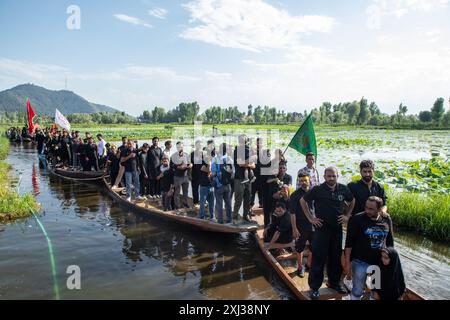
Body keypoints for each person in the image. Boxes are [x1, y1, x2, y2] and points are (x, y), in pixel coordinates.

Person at [300, 166, 355, 300]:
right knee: (319, 258)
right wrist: (310, 218)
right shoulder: (318, 189)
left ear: (337, 176)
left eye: (333, 176)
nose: (331, 178)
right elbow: (303, 201)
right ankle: (314, 288)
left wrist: (347, 215)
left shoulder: (343, 189)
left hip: (337, 230)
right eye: (329, 176)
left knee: (336, 258)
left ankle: (334, 283)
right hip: (321, 230)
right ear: (324, 177)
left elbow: (352, 200)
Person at [344, 196, 394, 300]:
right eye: (366, 207)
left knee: (376, 292)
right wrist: (347, 263)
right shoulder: (357, 219)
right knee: (357, 291)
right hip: (360, 262)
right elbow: (348, 244)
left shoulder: (386, 219)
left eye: (371, 209)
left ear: (380, 210)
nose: (367, 210)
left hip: (378, 263)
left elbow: (390, 242)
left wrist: (391, 262)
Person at [290, 172, 314, 278]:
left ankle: (308, 265)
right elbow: (292, 213)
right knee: (300, 247)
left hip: (313, 225)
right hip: (301, 226)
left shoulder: (314, 193)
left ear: (310, 180)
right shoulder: (295, 195)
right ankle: (300, 267)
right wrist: (294, 228)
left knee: (314, 247)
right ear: (299, 182)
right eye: (301, 181)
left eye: (305, 180)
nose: (304, 183)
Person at [233, 134, 255, 222]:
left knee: (247, 198)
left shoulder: (249, 150)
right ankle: (234, 216)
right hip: (239, 178)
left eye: (244, 139)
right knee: (238, 198)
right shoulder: (237, 150)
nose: (243, 140)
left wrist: (248, 163)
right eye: (241, 139)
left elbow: (253, 165)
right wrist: (250, 160)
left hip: (248, 178)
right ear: (239, 140)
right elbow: (240, 163)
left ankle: (246, 215)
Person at [212, 143, 233, 224]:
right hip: (228, 185)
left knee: (219, 204)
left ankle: (220, 221)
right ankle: (229, 220)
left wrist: (212, 176)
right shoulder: (229, 159)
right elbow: (233, 172)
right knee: (228, 203)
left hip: (218, 185)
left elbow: (213, 173)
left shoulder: (215, 159)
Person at [265, 162, 292, 226]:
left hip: (284, 197)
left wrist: (283, 189)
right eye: (280, 168)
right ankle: (272, 222)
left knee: (285, 192)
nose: (282, 169)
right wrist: (275, 179)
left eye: (283, 168)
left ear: (286, 169)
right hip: (274, 198)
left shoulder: (289, 177)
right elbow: (267, 181)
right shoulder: (274, 176)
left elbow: (289, 186)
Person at [171, 142, 192, 209]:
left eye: (181, 147)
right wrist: (178, 167)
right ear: (177, 147)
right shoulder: (174, 156)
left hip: (185, 176)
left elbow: (190, 163)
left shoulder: (186, 155)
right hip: (177, 176)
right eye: (179, 147)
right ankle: (177, 206)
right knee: (177, 192)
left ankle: (185, 203)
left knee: (185, 191)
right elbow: (172, 166)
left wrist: (190, 165)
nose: (180, 148)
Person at [198, 154, 215, 220]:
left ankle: (212, 216)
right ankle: (201, 217)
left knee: (212, 203)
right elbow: (209, 170)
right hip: (204, 187)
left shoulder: (209, 165)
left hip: (210, 186)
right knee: (202, 203)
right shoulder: (203, 167)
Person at [190, 140, 204, 207]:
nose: (200, 146)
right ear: (196, 145)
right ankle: (195, 202)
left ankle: (203, 202)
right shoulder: (192, 154)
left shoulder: (204, 154)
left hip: (203, 174)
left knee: (203, 189)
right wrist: (189, 174)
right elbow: (189, 163)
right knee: (195, 189)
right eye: (198, 145)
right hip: (194, 174)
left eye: (201, 145)